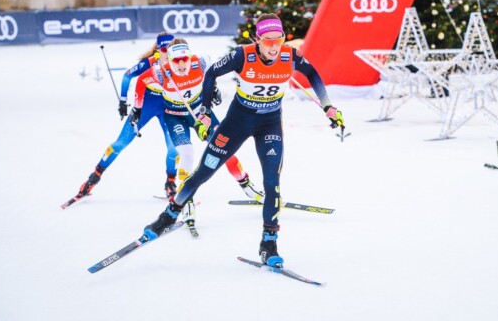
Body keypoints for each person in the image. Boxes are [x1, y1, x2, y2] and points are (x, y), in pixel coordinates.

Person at [139, 13, 345, 268]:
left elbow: (312, 74)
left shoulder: (289, 56)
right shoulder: (242, 55)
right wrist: (204, 111)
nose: (274, 46)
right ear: (257, 39)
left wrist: (328, 106)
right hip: (237, 122)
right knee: (204, 172)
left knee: (272, 182)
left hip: (269, 125)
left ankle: (269, 244)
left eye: (279, 40)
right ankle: (168, 217)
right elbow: (211, 74)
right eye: (268, 41)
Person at [72, 33, 261, 201]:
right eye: (163, 50)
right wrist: (127, 103)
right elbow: (130, 77)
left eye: (169, 49)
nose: (167, 54)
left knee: (175, 150)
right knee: (121, 143)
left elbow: (205, 75)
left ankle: (171, 184)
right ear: (159, 50)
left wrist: (212, 91)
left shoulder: (187, 63)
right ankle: (93, 178)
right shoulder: (152, 65)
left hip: (171, 109)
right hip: (148, 105)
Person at [130, 38, 262, 222]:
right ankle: (186, 200)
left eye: (185, 59)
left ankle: (246, 185)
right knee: (187, 153)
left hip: (200, 114)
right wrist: (137, 108)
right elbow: (140, 81)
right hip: (175, 116)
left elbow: (212, 74)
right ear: (169, 59)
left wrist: (213, 90)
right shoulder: (160, 72)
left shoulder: (200, 62)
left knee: (224, 148)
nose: (181, 65)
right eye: (176, 60)